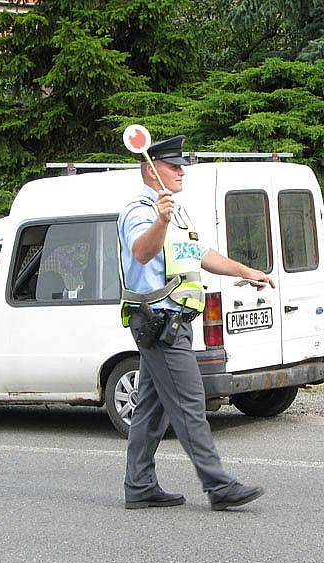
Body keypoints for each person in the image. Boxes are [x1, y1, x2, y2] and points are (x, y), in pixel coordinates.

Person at [117, 134, 274, 511]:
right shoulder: (140, 211)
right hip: (159, 322)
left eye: (181, 165)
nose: (181, 171)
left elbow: (199, 254)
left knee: (150, 409)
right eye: (173, 166)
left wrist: (247, 271)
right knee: (190, 404)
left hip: (174, 321)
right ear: (152, 171)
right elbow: (141, 252)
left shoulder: (177, 212)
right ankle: (218, 485)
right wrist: (159, 219)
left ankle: (139, 485)